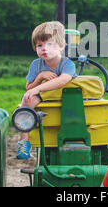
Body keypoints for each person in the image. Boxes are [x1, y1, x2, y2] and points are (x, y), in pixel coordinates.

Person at [16, 21, 77, 159]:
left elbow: (62, 80)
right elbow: (29, 88)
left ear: (61, 46)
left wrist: (38, 87)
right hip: (44, 95)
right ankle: (23, 142)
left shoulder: (67, 64)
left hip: (65, 96)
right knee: (26, 100)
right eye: (39, 45)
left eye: (50, 44)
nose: (44, 48)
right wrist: (40, 76)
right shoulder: (36, 65)